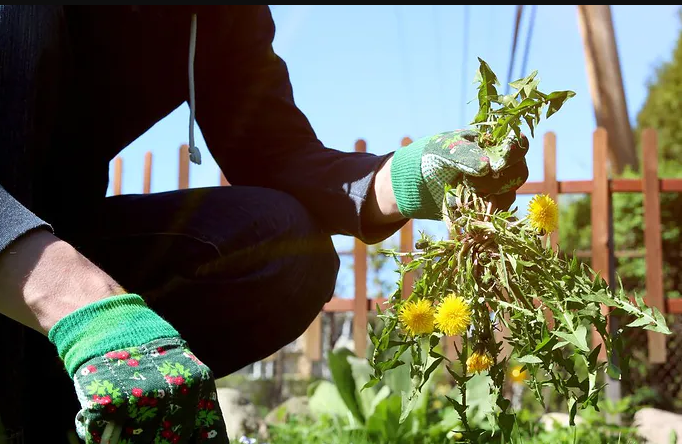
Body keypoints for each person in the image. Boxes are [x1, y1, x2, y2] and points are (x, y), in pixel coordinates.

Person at [0, 5, 530, 443]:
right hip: (36, 272)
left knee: (286, 246)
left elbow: (273, 151)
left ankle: (63, 413)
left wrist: (406, 179)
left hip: (53, 257)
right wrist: (87, 310)